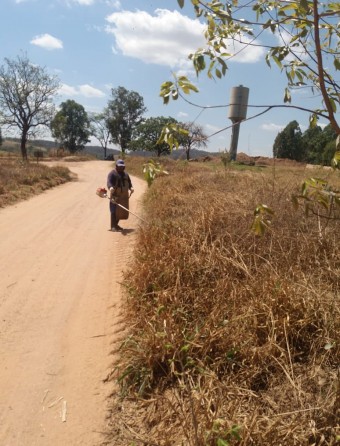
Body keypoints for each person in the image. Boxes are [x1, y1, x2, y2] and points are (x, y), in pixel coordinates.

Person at [107, 159, 134, 231]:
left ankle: (116, 225)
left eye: (122, 167)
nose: (121, 168)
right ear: (116, 166)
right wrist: (111, 187)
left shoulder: (126, 174)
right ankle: (113, 226)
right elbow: (109, 182)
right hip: (115, 195)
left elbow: (129, 183)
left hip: (124, 196)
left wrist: (131, 188)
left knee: (121, 210)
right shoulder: (112, 173)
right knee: (114, 210)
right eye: (119, 166)